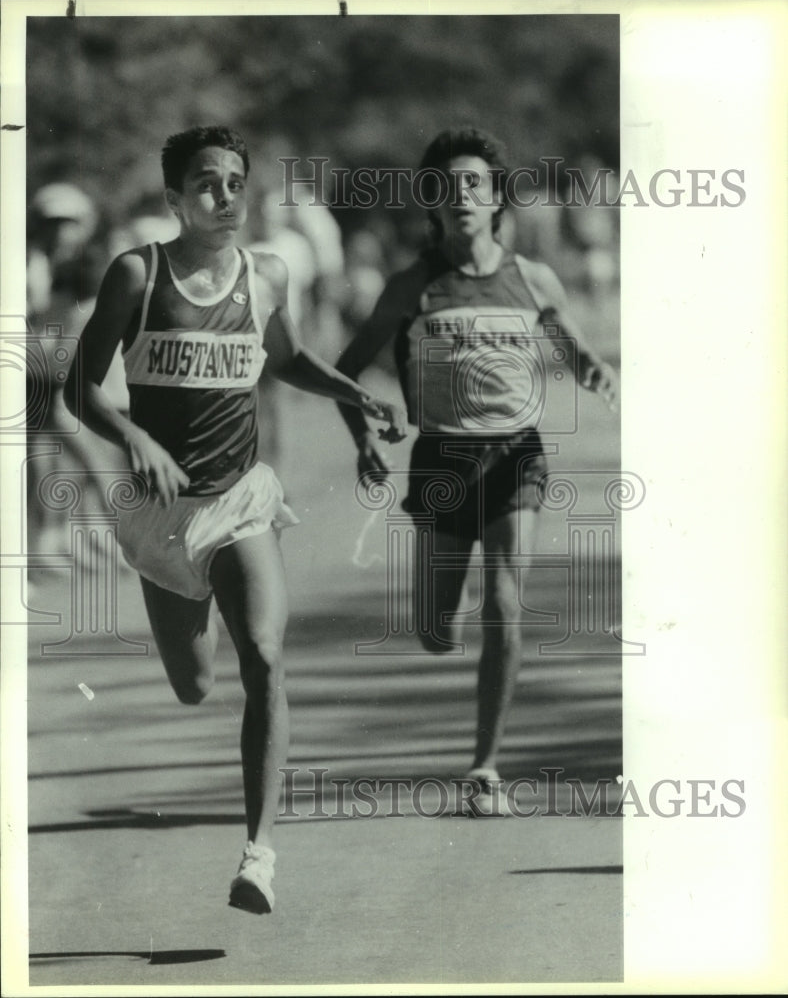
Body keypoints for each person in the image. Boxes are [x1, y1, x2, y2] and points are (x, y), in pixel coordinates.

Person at [63, 125, 405, 913]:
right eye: (207, 184)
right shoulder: (136, 276)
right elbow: (79, 386)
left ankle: (259, 856)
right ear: (174, 199)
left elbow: (283, 360)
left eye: (234, 183)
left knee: (265, 653)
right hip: (161, 515)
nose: (224, 197)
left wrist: (357, 394)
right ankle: (202, 615)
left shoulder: (270, 274)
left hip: (239, 499)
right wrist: (135, 436)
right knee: (195, 684)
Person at [335, 127, 616, 816]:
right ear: (432, 202)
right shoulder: (413, 286)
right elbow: (346, 370)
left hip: (515, 454)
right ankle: (442, 618)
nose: (461, 195)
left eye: (474, 185)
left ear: (495, 200)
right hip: (441, 460)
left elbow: (578, 352)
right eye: (447, 186)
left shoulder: (531, 278)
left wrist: (595, 371)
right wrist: (364, 438)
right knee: (437, 633)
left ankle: (484, 768)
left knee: (505, 605)